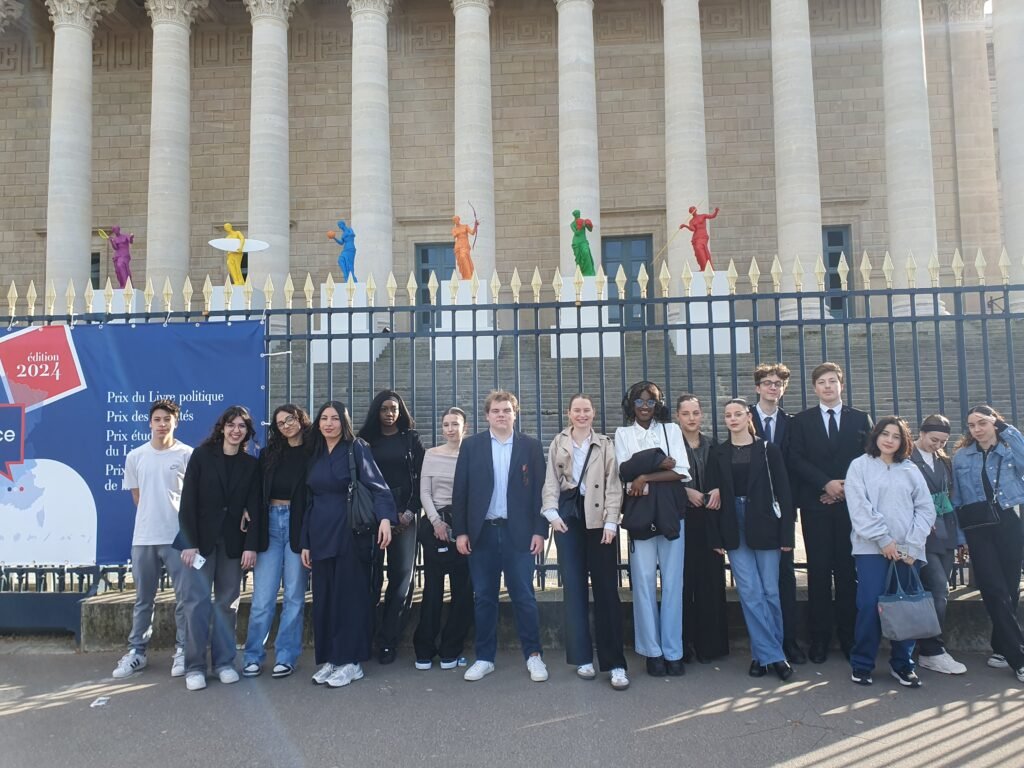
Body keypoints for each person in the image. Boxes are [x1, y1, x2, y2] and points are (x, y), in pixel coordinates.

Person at [453, 390, 548, 683]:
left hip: (519, 533)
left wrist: (540, 530)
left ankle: (534, 656)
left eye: (507, 410)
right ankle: (484, 658)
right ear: (487, 416)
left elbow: (541, 492)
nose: (501, 415)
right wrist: (461, 531)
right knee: (484, 597)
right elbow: (460, 491)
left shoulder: (530, 446)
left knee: (524, 596)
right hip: (482, 533)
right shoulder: (472, 446)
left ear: (515, 414)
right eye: (496, 411)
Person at [301, 401, 395, 689]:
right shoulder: (315, 452)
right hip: (319, 533)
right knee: (325, 599)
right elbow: (308, 500)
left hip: (350, 532)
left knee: (349, 598)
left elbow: (378, 486)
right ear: (318, 423)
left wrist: (385, 519)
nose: (329, 423)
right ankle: (331, 658)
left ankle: (351, 662)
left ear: (344, 422)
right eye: (324, 418)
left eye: (335, 418)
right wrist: (305, 542)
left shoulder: (356, 448)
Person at [542, 394, 629, 690]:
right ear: (569, 413)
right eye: (577, 410)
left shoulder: (605, 443)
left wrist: (611, 521)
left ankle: (615, 663)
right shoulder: (559, 442)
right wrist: (551, 513)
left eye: (587, 410)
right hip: (568, 519)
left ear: (593, 413)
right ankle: (582, 658)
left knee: (607, 590)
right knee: (574, 589)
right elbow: (551, 480)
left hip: (598, 519)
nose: (582, 414)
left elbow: (614, 484)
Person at [788, 362, 873, 663]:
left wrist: (845, 487)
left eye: (832, 381)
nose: (827, 386)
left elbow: (870, 458)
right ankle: (819, 639)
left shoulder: (860, 418)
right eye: (822, 382)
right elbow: (796, 459)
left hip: (852, 507)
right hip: (816, 505)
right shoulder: (802, 421)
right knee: (819, 572)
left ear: (841, 385)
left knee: (849, 573)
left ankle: (849, 637)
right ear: (814, 388)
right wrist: (825, 484)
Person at [706, 399, 795, 682]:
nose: (732, 419)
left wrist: (787, 534)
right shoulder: (718, 452)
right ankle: (775, 656)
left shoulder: (768, 450)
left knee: (769, 590)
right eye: (728, 415)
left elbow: (784, 492)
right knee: (749, 591)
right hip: (733, 523)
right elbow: (712, 495)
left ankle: (762, 655)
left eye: (738, 414)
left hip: (765, 521)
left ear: (748, 417)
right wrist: (716, 536)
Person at [845, 416, 935, 687]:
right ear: (876, 436)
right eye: (885, 434)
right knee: (870, 605)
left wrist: (912, 544)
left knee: (906, 607)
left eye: (896, 436)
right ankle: (862, 663)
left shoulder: (910, 469)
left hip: (908, 552)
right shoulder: (859, 466)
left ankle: (903, 665)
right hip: (871, 549)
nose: (889, 440)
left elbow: (925, 508)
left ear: (903, 441)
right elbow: (859, 508)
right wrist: (883, 540)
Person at [176, 406, 261, 691]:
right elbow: (188, 501)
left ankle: (224, 663)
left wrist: (251, 546)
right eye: (231, 425)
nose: (236, 430)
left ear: (247, 432)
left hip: (233, 544)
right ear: (222, 428)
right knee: (196, 605)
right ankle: (195, 667)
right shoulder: (201, 456)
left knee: (227, 603)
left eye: (242, 426)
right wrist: (189, 543)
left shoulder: (251, 465)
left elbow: (254, 506)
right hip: (200, 543)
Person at [614, 381, 690, 677]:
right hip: (640, 514)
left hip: (670, 512)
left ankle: (673, 650)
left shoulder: (671, 430)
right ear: (630, 405)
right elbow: (623, 472)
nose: (645, 407)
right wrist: (658, 464)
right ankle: (651, 651)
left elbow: (680, 471)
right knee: (644, 581)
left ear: (658, 404)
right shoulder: (623, 434)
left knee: (673, 582)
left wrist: (644, 476)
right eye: (639, 401)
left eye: (650, 401)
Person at [112, 399, 193, 680]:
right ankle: (137, 652)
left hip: (178, 539)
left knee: (184, 599)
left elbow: (192, 499)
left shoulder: (187, 455)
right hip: (144, 538)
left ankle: (183, 650)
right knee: (143, 599)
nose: (162, 424)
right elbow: (138, 498)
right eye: (157, 419)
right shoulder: (135, 456)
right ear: (150, 423)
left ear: (176, 422)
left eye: (167, 419)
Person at [952, 405, 1024, 683]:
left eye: (982, 422)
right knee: (993, 589)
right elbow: (957, 499)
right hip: (978, 526)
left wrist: (1007, 431)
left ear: (995, 422)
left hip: (1009, 521)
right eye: (971, 425)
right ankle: (1018, 657)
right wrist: (961, 538)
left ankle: (1001, 648)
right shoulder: (962, 456)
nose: (977, 429)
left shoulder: (1008, 449)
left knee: (1009, 588)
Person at [242, 404, 312, 679]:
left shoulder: (313, 452)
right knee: (263, 598)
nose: (286, 426)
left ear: (301, 419)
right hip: (270, 523)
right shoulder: (269, 454)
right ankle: (253, 656)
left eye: (290, 419)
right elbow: (255, 490)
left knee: (294, 596)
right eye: (280, 423)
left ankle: (286, 656)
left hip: (297, 523)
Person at [358, 390, 425, 665]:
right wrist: (380, 514)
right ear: (376, 410)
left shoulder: (410, 439)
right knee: (369, 579)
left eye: (394, 409)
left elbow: (421, 478)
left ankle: (388, 641)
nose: (389, 413)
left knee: (400, 580)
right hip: (372, 517)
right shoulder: (364, 440)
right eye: (384, 408)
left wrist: (409, 512)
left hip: (405, 515)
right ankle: (365, 637)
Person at [748, 363, 805, 664]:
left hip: (783, 507)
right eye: (767, 383)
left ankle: (788, 640)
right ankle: (762, 644)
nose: (773, 387)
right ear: (757, 387)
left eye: (778, 384)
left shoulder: (791, 423)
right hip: (751, 507)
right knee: (756, 579)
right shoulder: (743, 417)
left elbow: (795, 463)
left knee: (784, 575)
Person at [412, 407, 473, 671]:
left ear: (464, 427)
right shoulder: (431, 454)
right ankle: (424, 650)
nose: (450, 429)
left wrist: (463, 528)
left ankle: (451, 650)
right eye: (446, 424)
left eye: (455, 424)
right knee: (432, 590)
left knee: (462, 591)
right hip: (434, 525)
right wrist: (436, 522)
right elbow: (424, 492)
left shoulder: (471, 454)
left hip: (463, 525)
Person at [910, 414, 967, 676]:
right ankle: (932, 649)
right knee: (938, 588)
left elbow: (952, 498)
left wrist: (960, 537)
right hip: (921, 532)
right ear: (921, 433)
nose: (938, 445)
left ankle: (925, 646)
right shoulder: (907, 458)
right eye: (934, 439)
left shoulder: (944, 460)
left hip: (945, 530)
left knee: (937, 591)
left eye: (943, 441)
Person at [676, 394, 728, 664]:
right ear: (678, 417)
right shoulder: (671, 446)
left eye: (695, 413)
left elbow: (725, 478)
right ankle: (684, 644)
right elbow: (665, 481)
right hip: (683, 519)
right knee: (684, 583)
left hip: (710, 519)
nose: (691, 418)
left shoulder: (713, 445)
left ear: (702, 415)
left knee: (710, 583)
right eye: (686, 413)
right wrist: (685, 491)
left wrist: (718, 489)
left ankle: (710, 645)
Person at [679, 206, 719, 271]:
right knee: (698, 251)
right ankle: (703, 267)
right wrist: (685, 226)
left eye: (693, 209)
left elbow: (712, 216)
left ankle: (707, 267)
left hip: (703, 236)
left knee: (701, 249)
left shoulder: (702, 216)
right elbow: (693, 229)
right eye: (691, 211)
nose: (693, 211)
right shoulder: (691, 221)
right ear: (690, 213)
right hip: (696, 237)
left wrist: (716, 211)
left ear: (696, 210)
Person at [451, 214, 478, 279]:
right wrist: (459, 232)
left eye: (456, 219)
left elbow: (472, 232)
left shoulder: (465, 226)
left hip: (465, 244)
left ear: (459, 219)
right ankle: (465, 276)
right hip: (458, 245)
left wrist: (475, 226)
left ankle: (469, 275)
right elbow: (454, 235)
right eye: (454, 220)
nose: (455, 221)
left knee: (464, 257)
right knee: (460, 261)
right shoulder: (454, 229)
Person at [570, 209, 595, 276]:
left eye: (579, 214)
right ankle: (580, 273)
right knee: (578, 259)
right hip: (576, 242)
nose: (578, 215)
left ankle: (589, 272)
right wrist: (580, 226)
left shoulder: (583, 221)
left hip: (583, 241)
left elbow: (590, 230)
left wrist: (588, 224)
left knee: (586, 253)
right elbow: (576, 233)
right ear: (575, 215)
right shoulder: (572, 224)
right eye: (577, 214)